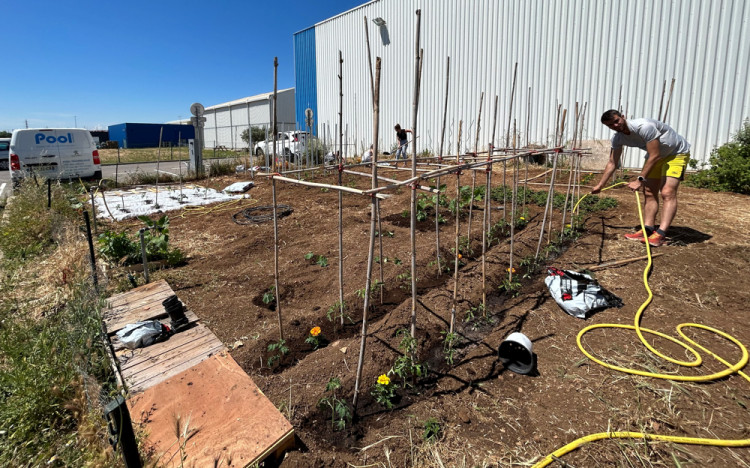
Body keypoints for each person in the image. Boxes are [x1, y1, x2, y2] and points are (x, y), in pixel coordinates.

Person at [592, 109, 690, 247]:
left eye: (616, 121)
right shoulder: (618, 138)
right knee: (649, 192)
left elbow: (654, 155)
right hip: (656, 156)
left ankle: (661, 234)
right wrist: (600, 185)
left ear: (623, 117)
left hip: (676, 153)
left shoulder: (644, 127)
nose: (615, 126)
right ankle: (648, 230)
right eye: (610, 125)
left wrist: (639, 180)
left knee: (667, 192)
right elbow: (612, 162)